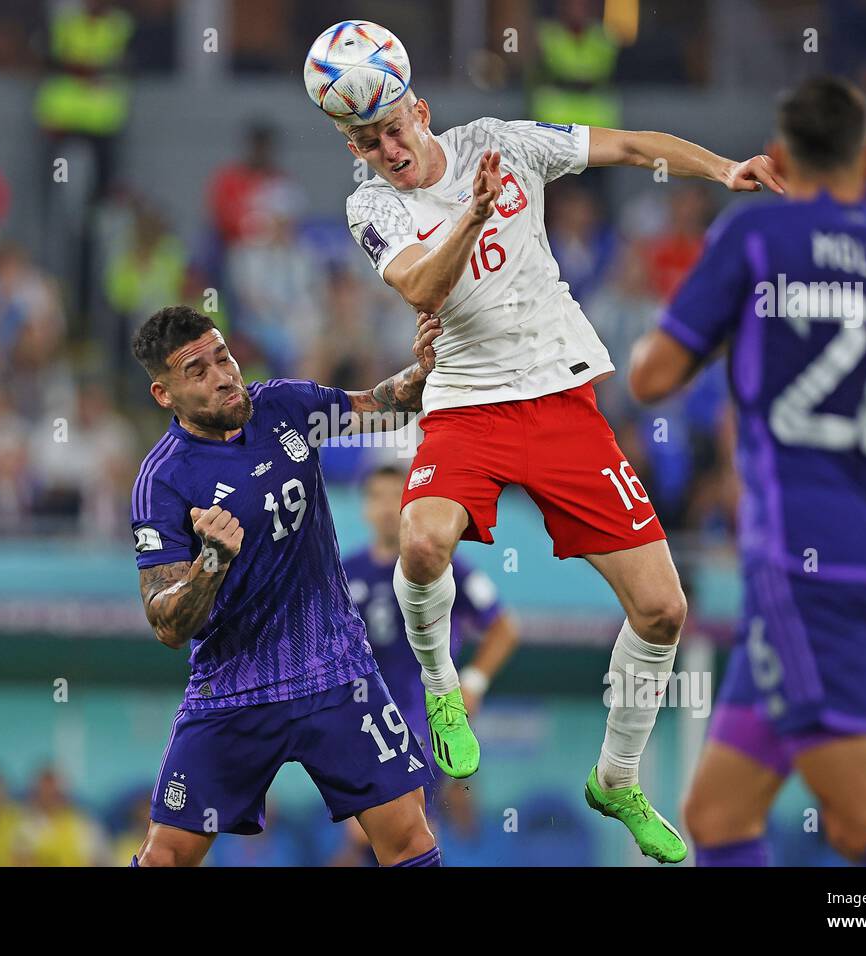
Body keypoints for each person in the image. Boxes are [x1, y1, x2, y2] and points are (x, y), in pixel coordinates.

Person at [328, 24, 782, 862]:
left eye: (393, 127)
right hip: (465, 402)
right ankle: (441, 689)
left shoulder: (500, 142)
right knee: (422, 545)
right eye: (365, 140)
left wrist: (723, 169)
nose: (386, 149)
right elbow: (423, 284)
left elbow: (628, 142)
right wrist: (469, 213)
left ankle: (616, 779)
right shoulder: (371, 205)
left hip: (561, 398)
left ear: (420, 110)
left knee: (664, 607)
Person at [629, 75, 866, 866]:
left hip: (800, 560)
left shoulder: (756, 239)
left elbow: (650, 379)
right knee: (719, 815)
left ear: (776, 159)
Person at [128, 304, 446, 867]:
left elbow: (383, 406)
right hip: (233, 690)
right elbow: (165, 624)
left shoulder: (283, 406)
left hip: (335, 669)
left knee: (410, 839)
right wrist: (210, 563)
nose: (223, 374)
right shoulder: (163, 482)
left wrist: (422, 372)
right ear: (164, 395)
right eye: (197, 371)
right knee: (164, 858)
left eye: (222, 357)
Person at [335, 464, 519, 864]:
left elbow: (504, 627)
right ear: (365, 508)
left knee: (410, 832)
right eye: (377, 497)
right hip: (366, 722)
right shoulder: (345, 574)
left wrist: (473, 681)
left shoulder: (442, 565)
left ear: (410, 505)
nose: (387, 507)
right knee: (368, 837)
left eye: (395, 497)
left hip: (426, 716)